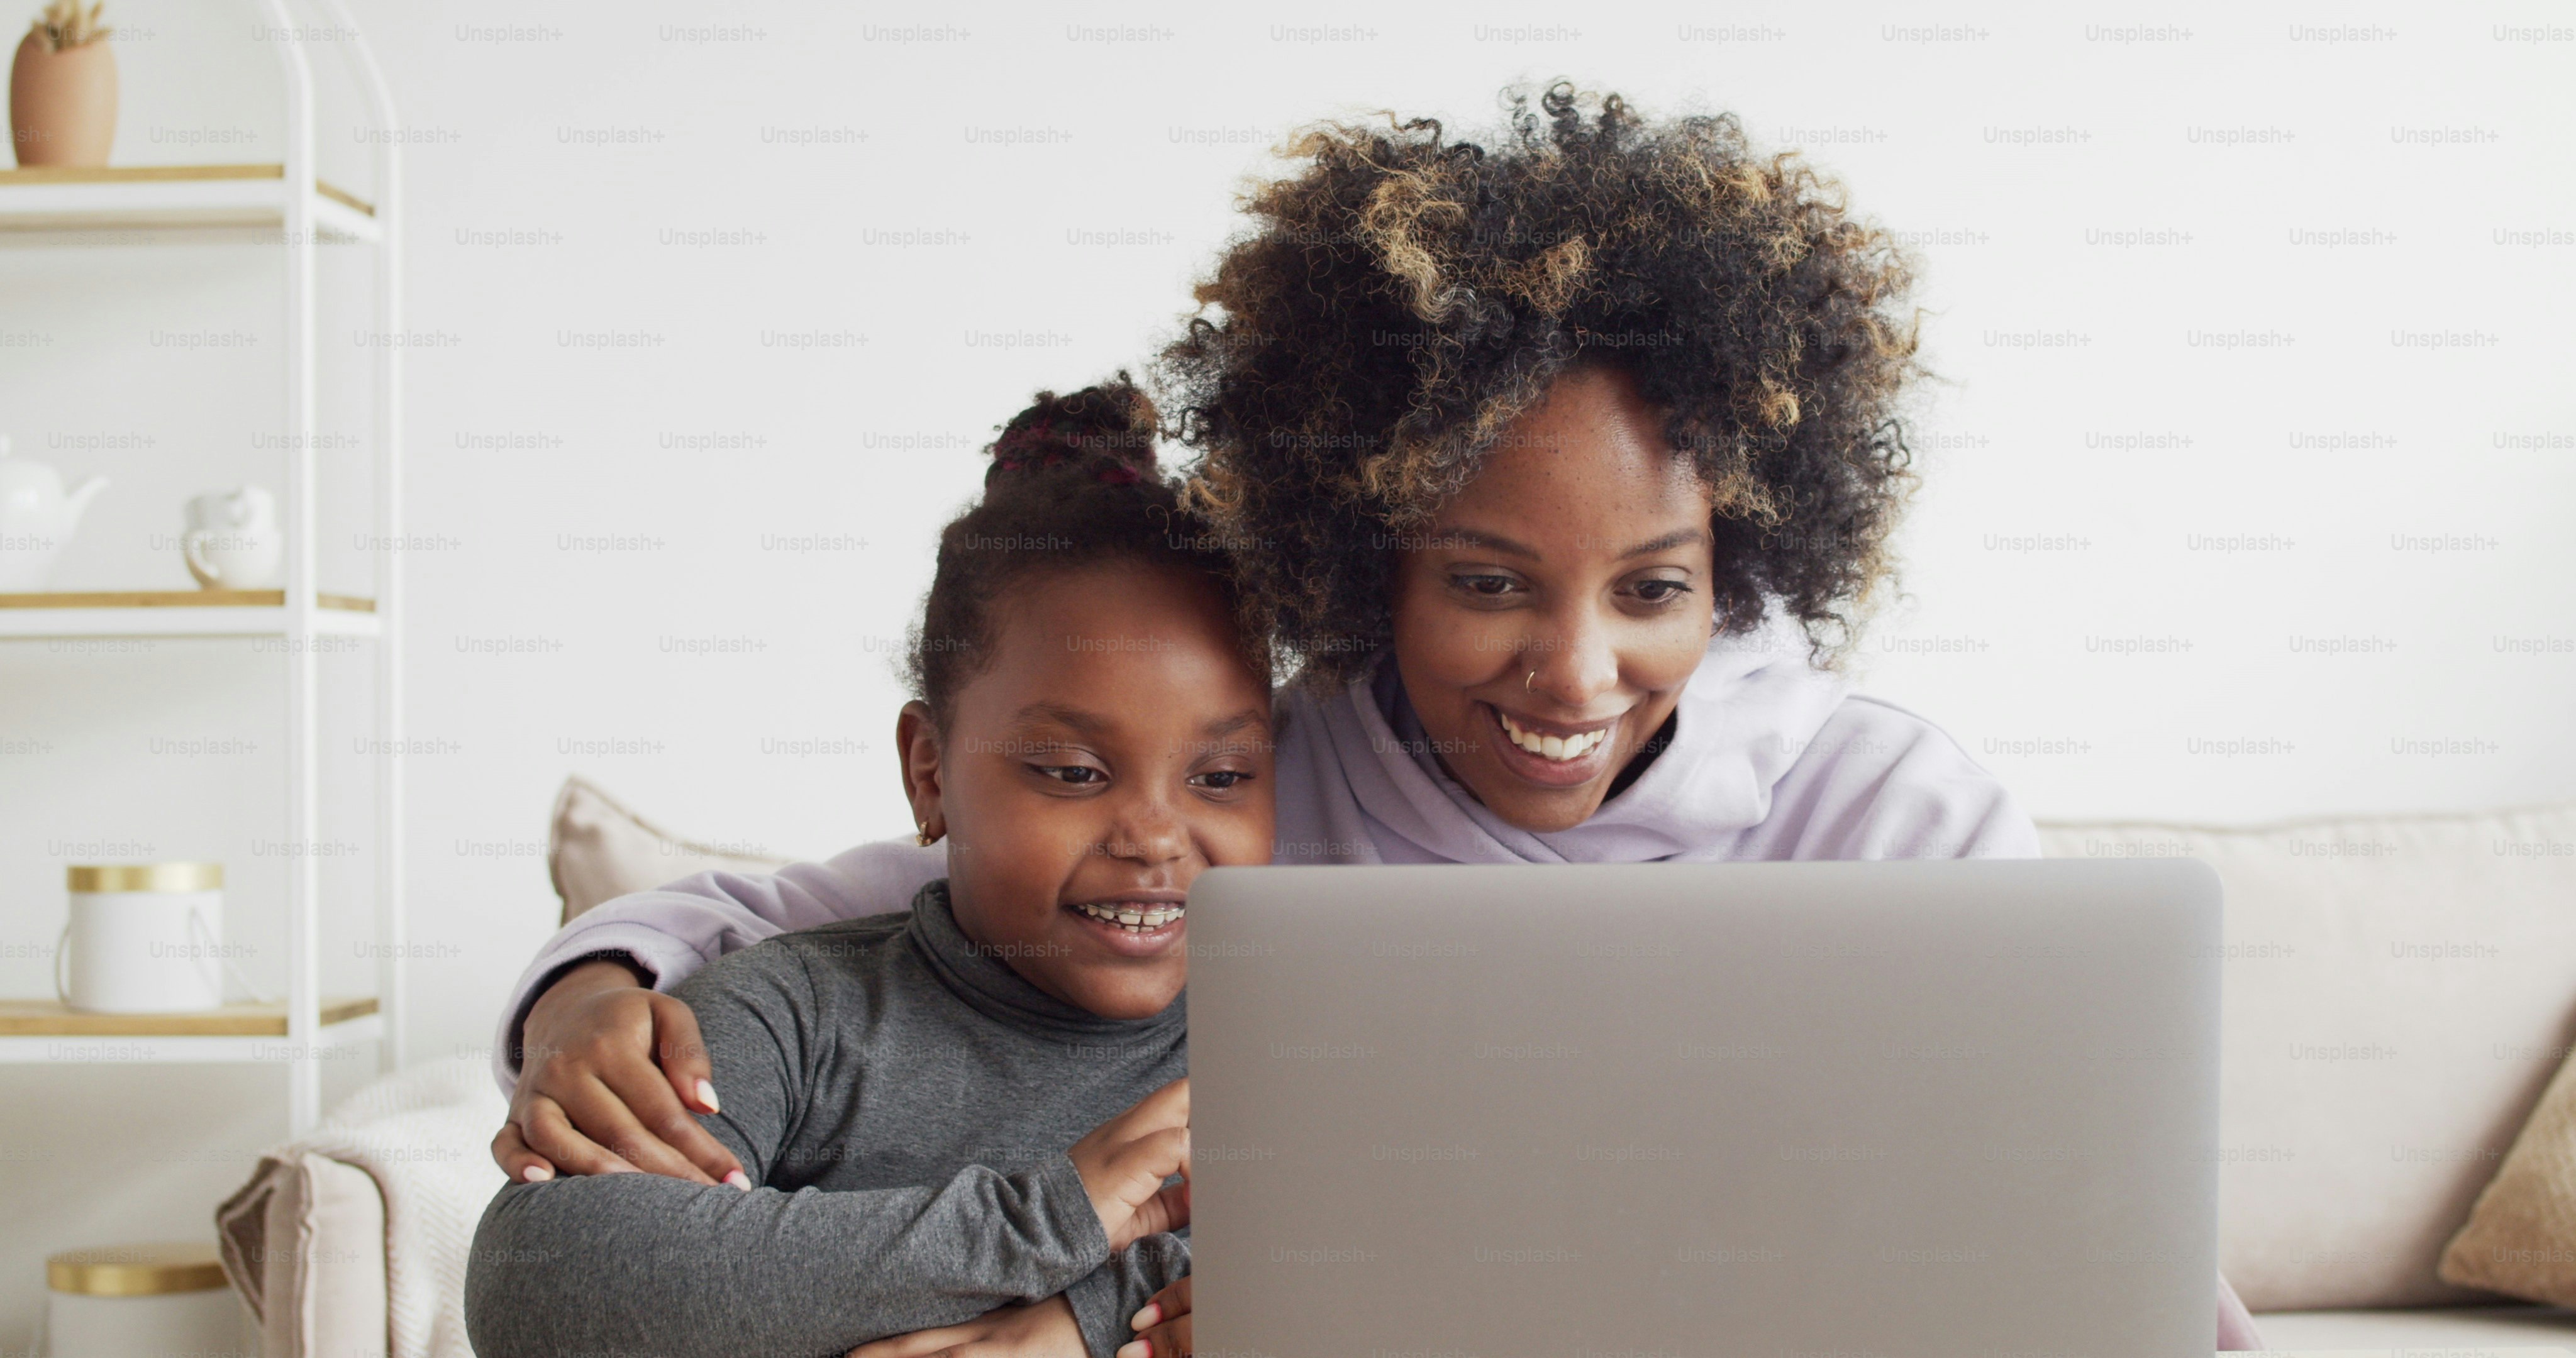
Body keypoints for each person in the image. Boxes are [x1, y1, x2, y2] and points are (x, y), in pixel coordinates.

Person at [483, 84, 2262, 1350]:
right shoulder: (1274, 787)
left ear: (1744, 560)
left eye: (1652, 589)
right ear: (1360, 559)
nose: (1574, 677)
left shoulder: (1894, 816)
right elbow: (849, 914)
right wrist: (596, 986)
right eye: (1488, 582)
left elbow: (2088, 1224)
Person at [465, 382, 1243, 1358]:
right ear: (931, 771)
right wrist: (1046, 1219)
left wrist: (1080, 1323)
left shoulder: (1288, 1042)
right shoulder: (797, 1013)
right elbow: (542, 1278)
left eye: (1222, 775)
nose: (1156, 838)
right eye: (1073, 773)